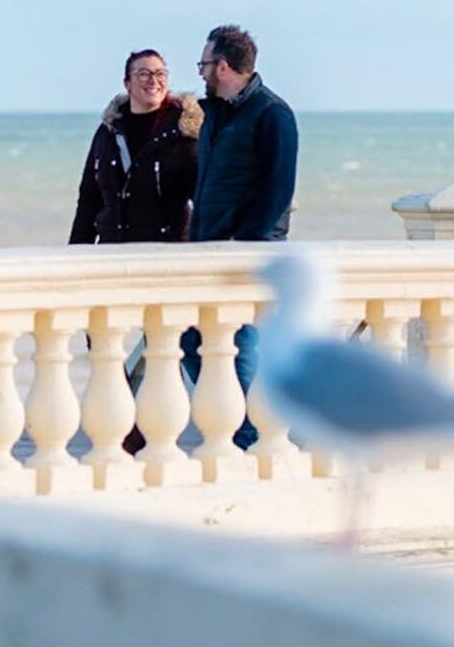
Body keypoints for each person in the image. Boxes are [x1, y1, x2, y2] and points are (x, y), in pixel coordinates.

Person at [191, 24, 299, 448]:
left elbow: (278, 189)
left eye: (203, 64)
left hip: (249, 252)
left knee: (242, 345)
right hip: (207, 248)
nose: (200, 73)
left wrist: (245, 241)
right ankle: (241, 429)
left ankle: (255, 434)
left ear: (222, 66)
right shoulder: (216, 113)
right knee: (189, 339)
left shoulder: (273, 113)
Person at [69, 49, 201, 244]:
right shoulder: (108, 132)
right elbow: (89, 199)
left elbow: (203, 199)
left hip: (165, 252)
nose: (153, 81)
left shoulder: (182, 134)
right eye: (143, 74)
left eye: (160, 74)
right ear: (127, 84)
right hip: (111, 249)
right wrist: (77, 252)